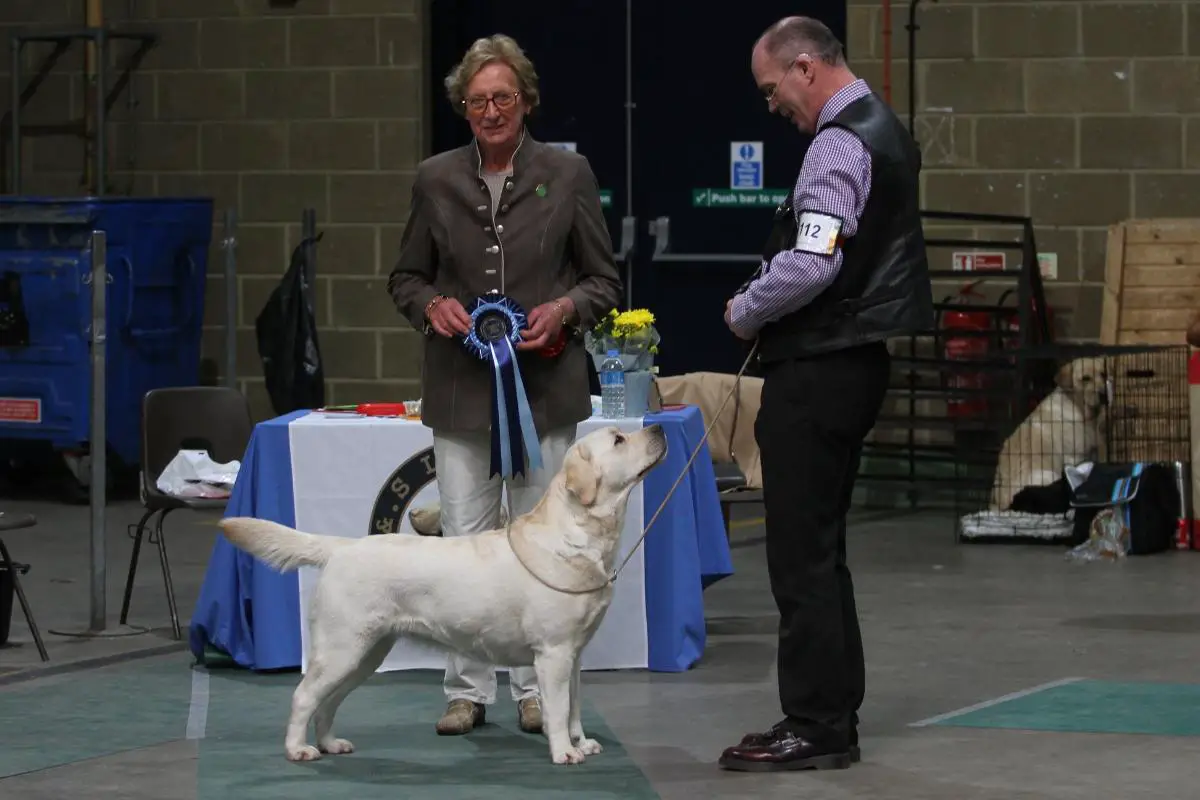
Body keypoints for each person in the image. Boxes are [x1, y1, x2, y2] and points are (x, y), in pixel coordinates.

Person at [386, 34, 623, 737]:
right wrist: (431, 306)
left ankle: (533, 691)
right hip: (461, 391)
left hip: (545, 392)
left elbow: (603, 280)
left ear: (526, 102)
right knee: (463, 546)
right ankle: (465, 690)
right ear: (463, 106)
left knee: (540, 548)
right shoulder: (433, 178)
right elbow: (405, 276)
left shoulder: (567, 174)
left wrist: (565, 310)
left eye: (504, 98)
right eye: (478, 100)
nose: (491, 110)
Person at [718, 16, 933, 772]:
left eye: (773, 88)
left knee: (799, 557)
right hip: (855, 366)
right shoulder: (888, 129)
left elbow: (812, 265)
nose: (771, 104)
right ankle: (831, 716)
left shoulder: (839, 142)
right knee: (823, 553)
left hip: (818, 371)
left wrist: (745, 308)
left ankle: (813, 725)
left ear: (806, 68)